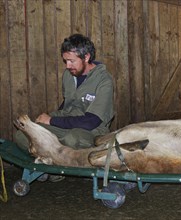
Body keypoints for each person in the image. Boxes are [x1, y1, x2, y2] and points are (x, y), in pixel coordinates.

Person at [14, 34, 114, 181]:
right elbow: (67, 104)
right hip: (66, 122)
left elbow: (91, 121)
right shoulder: (69, 75)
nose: (68, 66)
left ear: (86, 57)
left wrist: (52, 121)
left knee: (72, 139)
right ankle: (55, 162)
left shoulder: (104, 80)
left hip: (91, 130)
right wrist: (46, 120)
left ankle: (50, 162)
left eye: (72, 61)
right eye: (65, 61)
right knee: (22, 134)